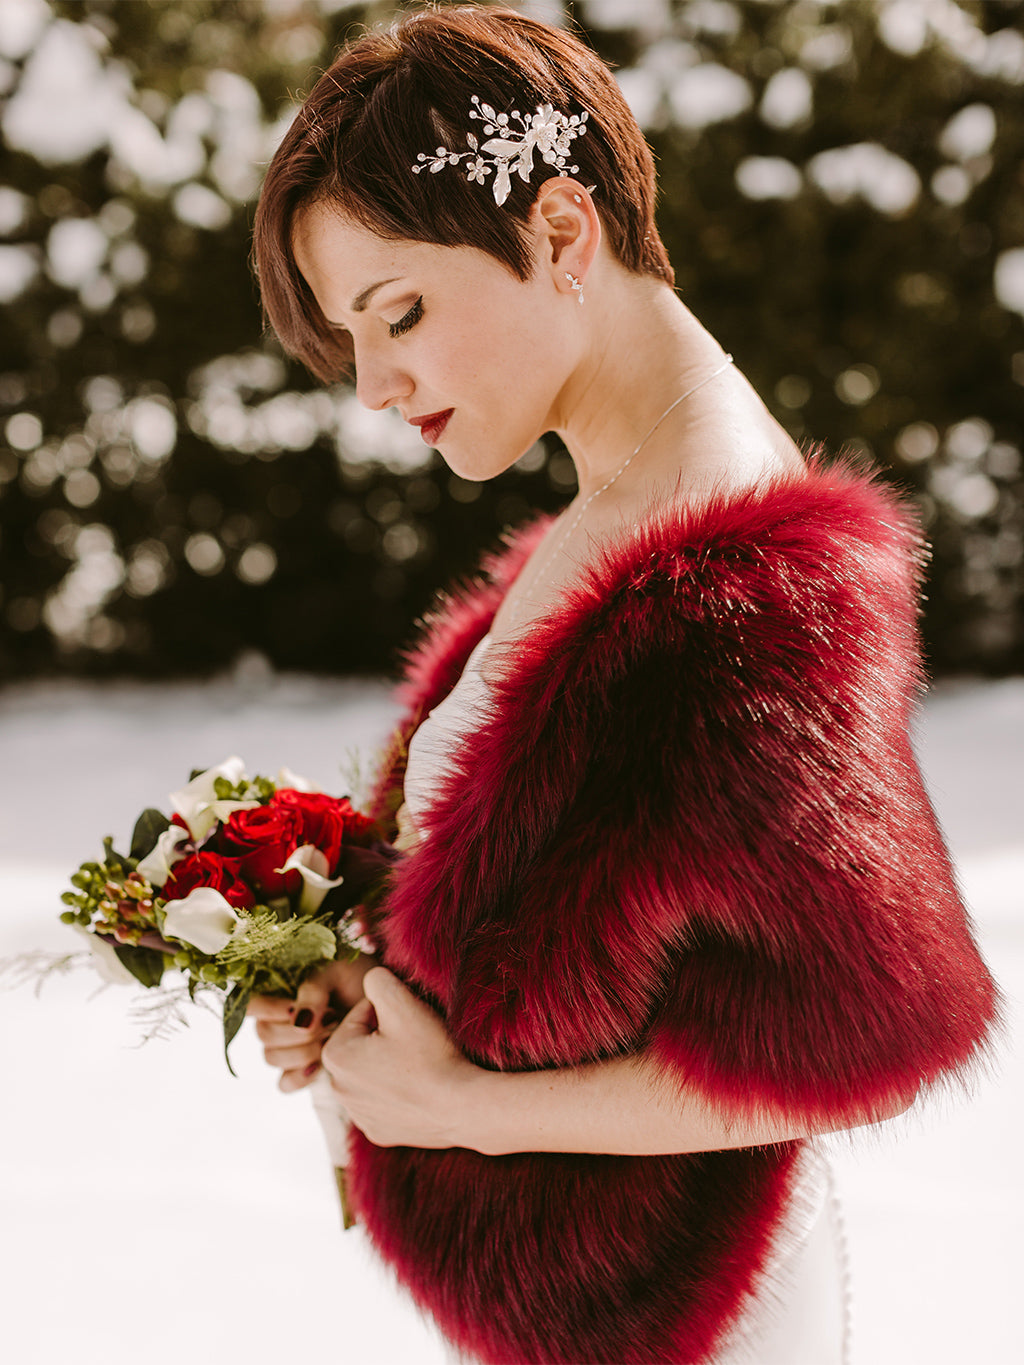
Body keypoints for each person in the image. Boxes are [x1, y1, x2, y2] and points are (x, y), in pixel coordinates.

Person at [246, 7, 999, 1363]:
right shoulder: (628, 513)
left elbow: (858, 1037)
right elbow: (597, 913)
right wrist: (361, 974)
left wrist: (468, 1107)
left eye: (398, 311)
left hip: (695, 1318)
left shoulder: (739, 577)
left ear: (559, 234)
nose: (371, 384)